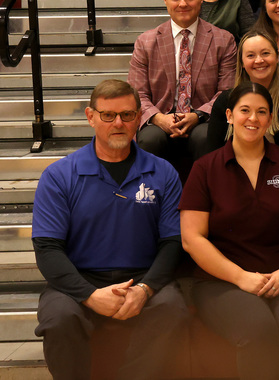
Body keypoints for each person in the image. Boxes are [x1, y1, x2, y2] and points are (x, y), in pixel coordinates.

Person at [32, 79, 188, 380]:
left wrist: (144, 290)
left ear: (140, 117)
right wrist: (90, 295)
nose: (118, 123)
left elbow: (172, 242)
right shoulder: (59, 175)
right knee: (59, 318)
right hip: (79, 279)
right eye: (108, 115)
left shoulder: (163, 172)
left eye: (127, 115)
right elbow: (47, 249)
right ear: (91, 117)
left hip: (143, 276)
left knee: (173, 310)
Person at [180, 82, 279, 380]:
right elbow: (192, 239)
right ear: (230, 115)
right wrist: (241, 277)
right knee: (258, 330)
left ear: (271, 119)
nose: (253, 119)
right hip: (222, 283)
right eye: (245, 111)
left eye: (261, 112)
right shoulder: (205, 168)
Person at [128, 0, 237, 172]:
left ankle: (205, 200)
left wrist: (198, 115)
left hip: (204, 119)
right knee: (150, 139)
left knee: (206, 137)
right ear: (165, 0)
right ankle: (151, 200)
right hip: (158, 119)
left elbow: (227, 92)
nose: (183, 3)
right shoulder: (146, 42)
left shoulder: (224, 40)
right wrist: (158, 118)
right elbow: (137, 93)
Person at [206, 29, 279, 169]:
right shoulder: (225, 101)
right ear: (242, 63)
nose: (259, 60)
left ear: (277, 57)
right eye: (251, 55)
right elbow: (212, 157)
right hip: (232, 176)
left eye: (265, 53)